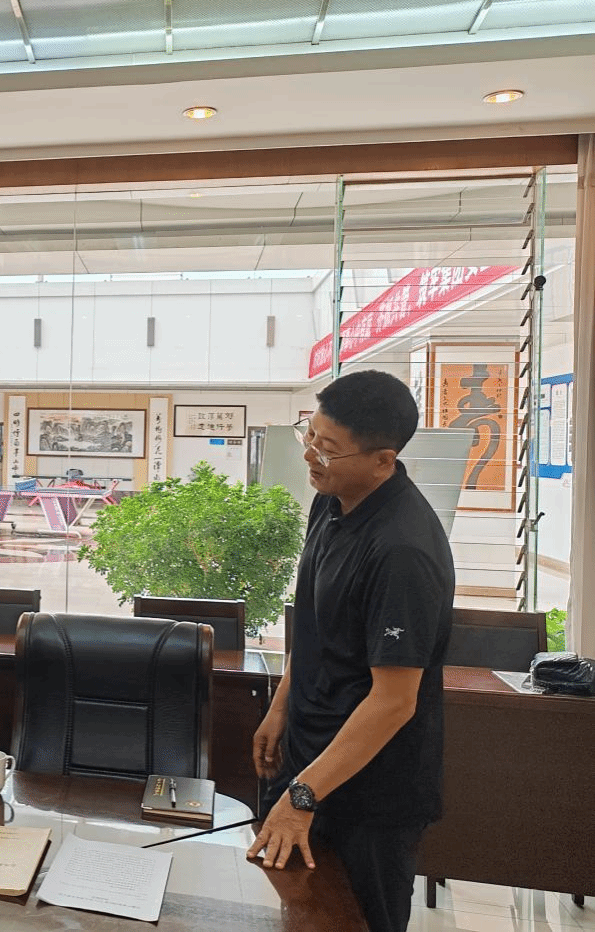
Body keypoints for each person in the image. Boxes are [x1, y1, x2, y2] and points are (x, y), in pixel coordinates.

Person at [248, 370, 454, 932]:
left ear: (383, 460)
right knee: (293, 913)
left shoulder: (403, 551)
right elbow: (316, 624)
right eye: (310, 435)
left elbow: (393, 701)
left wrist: (304, 795)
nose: (310, 455)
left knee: (356, 920)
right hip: (307, 765)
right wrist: (282, 707)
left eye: (328, 449)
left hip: (370, 794)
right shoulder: (332, 500)